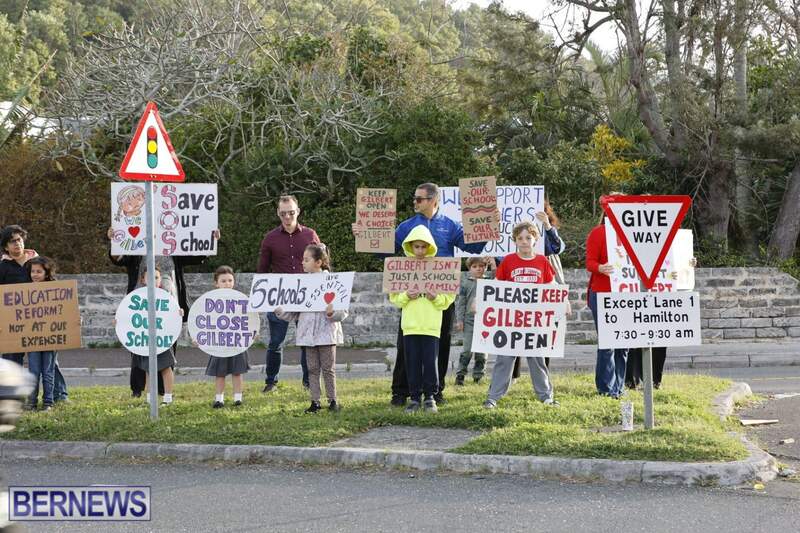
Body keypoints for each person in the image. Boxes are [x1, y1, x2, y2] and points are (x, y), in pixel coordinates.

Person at [353, 183, 491, 406]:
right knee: (405, 344)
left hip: (442, 295)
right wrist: (364, 237)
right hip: (412, 297)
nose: (414, 202)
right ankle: (400, 392)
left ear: (433, 200)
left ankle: (435, 392)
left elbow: (473, 247)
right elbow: (386, 250)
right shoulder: (407, 226)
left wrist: (487, 226)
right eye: (414, 198)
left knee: (441, 344)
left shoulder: (450, 225)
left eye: (419, 199)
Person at [107, 227, 219, 397]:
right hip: (139, 306)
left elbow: (196, 255)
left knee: (167, 348)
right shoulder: (136, 245)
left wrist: (211, 240)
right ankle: (138, 389)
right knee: (139, 347)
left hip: (169, 307)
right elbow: (119, 259)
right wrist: (114, 240)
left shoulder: (174, 244)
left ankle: (163, 390)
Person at [483, 221, 558, 409]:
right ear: (515, 240)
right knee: (504, 359)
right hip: (511, 320)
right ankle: (493, 397)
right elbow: (497, 286)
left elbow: (551, 286)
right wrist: (479, 301)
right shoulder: (508, 261)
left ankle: (546, 396)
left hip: (534, 320)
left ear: (535, 239)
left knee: (537, 358)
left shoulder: (542, 261)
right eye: (520, 238)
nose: (524, 242)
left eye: (528, 238)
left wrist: (563, 302)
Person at [257, 195, 320, 393]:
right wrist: (264, 299)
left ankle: (308, 382)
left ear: (298, 211)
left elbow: (321, 263)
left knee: (306, 342)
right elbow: (262, 271)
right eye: (283, 213)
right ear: (278, 213)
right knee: (276, 341)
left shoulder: (310, 235)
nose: (287, 217)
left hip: (306, 295)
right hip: (280, 295)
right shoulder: (270, 238)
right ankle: (270, 382)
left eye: (291, 212)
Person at [389, 226, 456, 414]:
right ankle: (414, 398)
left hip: (431, 327)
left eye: (423, 247)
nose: (420, 251)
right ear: (410, 247)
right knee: (412, 363)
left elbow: (448, 299)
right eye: (416, 247)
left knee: (430, 363)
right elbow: (394, 298)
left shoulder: (438, 269)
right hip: (410, 327)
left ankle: (430, 397)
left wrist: (436, 297)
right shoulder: (403, 268)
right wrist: (406, 296)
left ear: (430, 247)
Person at [276, 244, 347, 413]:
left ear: (318, 262)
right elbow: (293, 314)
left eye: (307, 260)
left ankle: (333, 401)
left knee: (328, 369)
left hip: (327, 335)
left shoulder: (333, 282)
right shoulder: (302, 284)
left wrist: (332, 313)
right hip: (308, 336)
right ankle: (315, 401)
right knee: (312, 369)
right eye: (303, 259)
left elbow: (343, 312)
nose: (303, 263)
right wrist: (279, 311)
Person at [511, 200, 567, 379]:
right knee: (515, 328)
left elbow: (557, 248)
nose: (525, 240)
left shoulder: (545, 232)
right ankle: (513, 374)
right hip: (518, 286)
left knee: (544, 329)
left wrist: (547, 226)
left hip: (543, 282)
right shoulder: (516, 235)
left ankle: (543, 373)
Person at [586, 195, 628, 399]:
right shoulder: (598, 233)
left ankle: (618, 387)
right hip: (602, 294)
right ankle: (605, 388)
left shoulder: (633, 234)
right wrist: (601, 267)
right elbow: (590, 262)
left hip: (627, 295)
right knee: (607, 344)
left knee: (624, 344)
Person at [204, 266, 251, 408]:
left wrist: (252, 333)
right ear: (216, 283)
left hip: (236, 341)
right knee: (220, 373)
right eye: (223, 281)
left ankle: (238, 398)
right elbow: (204, 321)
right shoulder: (210, 301)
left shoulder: (240, 300)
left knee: (237, 372)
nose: (227, 283)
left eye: (230, 280)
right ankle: (219, 399)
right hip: (219, 343)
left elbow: (248, 320)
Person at [130, 267, 177, 405]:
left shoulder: (166, 296)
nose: (153, 280)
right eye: (149, 277)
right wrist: (118, 320)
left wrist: (178, 312)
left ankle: (167, 398)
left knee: (166, 367)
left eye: (156, 277)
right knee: (148, 369)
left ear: (160, 279)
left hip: (161, 338)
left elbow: (173, 312)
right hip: (145, 339)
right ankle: (151, 399)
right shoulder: (137, 297)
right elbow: (129, 314)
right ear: (143, 280)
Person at [24, 256, 59, 411]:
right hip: (33, 339)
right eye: (33, 271)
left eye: (39, 271)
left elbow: (65, 310)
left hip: (51, 339)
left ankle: (48, 402)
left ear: (47, 272)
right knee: (33, 371)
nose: (35, 274)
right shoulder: (25, 291)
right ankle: (31, 402)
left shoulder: (57, 290)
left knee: (48, 371)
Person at [0, 225, 34, 366]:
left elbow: (52, 288)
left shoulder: (37, 263)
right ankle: (10, 389)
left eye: (19, 239)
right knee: (11, 362)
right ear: (6, 247)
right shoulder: (2, 267)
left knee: (46, 362)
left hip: (38, 320)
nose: (17, 243)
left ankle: (57, 389)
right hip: (12, 322)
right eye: (12, 241)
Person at [454, 257, 489, 385]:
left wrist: (494, 264)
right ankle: (460, 375)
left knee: (482, 351)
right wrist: (459, 320)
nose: (478, 269)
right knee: (467, 350)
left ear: (485, 267)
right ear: (469, 268)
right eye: (475, 266)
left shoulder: (489, 281)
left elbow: (499, 278)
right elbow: (461, 303)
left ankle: (478, 376)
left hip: (485, 321)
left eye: (481, 266)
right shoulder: (465, 283)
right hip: (469, 320)